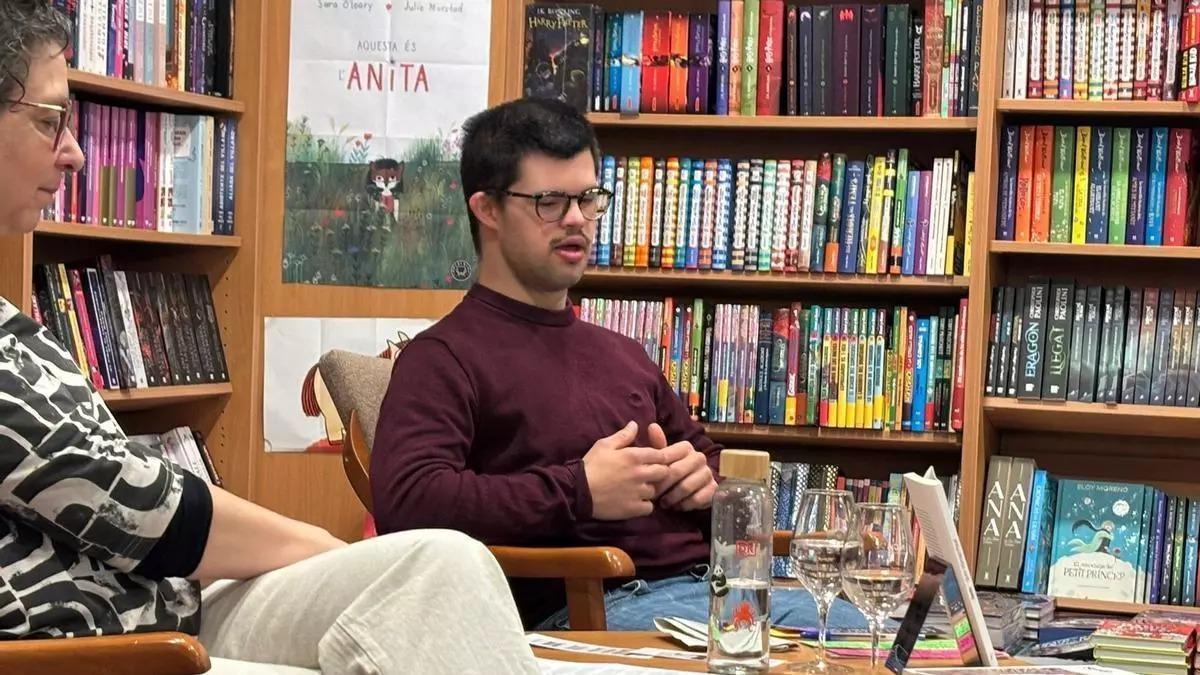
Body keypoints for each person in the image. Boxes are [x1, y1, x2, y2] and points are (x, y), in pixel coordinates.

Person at [0, 3, 537, 673]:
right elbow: (135, 505)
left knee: (437, 571)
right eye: (49, 120)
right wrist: (335, 554)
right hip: (118, 648)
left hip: (170, 608)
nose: (75, 152)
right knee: (435, 566)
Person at [370, 96, 869, 633]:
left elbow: (710, 462)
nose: (577, 221)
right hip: (592, 607)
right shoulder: (443, 357)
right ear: (487, 209)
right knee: (858, 644)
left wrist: (705, 484)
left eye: (588, 199)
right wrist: (578, 491)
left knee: (902, 636)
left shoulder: (621, 353)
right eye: (549, 202)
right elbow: (409, 502)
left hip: (713, 589)